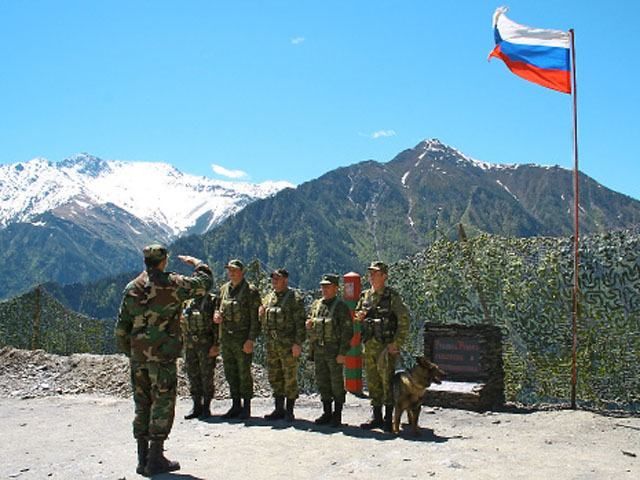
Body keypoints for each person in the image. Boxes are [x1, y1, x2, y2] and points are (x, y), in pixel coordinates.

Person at [115, 244, 212, 476]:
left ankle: (142, 458)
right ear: (164, 261)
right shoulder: (172, 283)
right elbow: (204, 284)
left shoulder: (132, 288)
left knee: (142, 404)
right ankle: (155, 457)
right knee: (162, 403)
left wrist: (132, 353)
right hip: (163, 356)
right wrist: (198, 264)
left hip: (139, 358)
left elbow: (121, 329)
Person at [355, 261, 409, 433]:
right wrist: (360, 316)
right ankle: (376, 417)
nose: (372, 276)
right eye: (370, 273)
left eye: (376, 273)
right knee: (372, 382)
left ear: (384, 276)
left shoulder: (391, 296)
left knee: (387, 383)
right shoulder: (365, 296)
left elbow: (404, 320)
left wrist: (396, 343)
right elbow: (357, 315)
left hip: (385, 347)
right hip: (369, 345)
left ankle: (388, 419)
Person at [212, 259, 261, 420]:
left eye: (234, 270)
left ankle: (246, 407)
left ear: (242, 272)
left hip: (242, 338)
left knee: (244, 372)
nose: (231, 273)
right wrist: (217, 316)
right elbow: (218, 308)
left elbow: (255, 318)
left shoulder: (250, 291)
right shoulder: (224, 289)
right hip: (227, 338)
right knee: (230, 372)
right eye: (229, 270)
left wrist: (251, 339)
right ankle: (235, 405)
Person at [259, 268, 306, 421]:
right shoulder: (268, 298)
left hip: (288, 345)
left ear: (285, 280)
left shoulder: (294, 298)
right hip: (272, 345)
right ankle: (278, 409)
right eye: (273, 278)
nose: (274, 281)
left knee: (289, 377)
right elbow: (264, 318)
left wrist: (297, 343)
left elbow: (300, 324)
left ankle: (289, 411)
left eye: (277, 278)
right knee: (275, 376)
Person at [306, 274, 353, 427]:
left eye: (328, 286)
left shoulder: (341, 307)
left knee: (336, 383)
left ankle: (337, 415)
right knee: (322, 382)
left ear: (336, 288)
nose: (324, 289)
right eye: (323, 286)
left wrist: (342, 353)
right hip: (319, 350)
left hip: (334, 351)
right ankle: (326, 412)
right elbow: (311, 323)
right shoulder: (316, 305)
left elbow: (347, 332)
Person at [181, 291, 219, 420]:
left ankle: (206, 406)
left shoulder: (212, 300)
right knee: (193, 374)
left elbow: (217, 325)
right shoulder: (188, 301)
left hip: (206, 344)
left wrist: (216, 344)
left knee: (207, 375)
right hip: (190, 345)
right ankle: (196, 405)